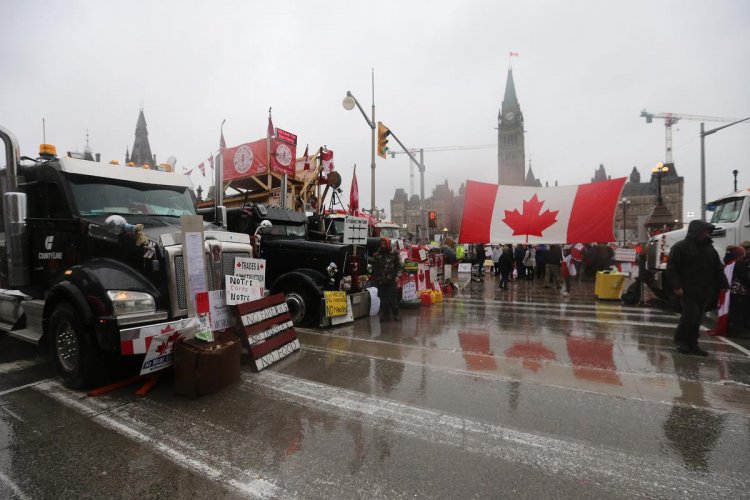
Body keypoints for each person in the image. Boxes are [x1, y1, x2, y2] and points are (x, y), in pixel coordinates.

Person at [666, 220, 729, 356]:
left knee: (698, 318)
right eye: (705, 230)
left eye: (707, 231)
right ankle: (681, 341)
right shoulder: (680, 247)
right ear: (697, 231)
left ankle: (693, 344)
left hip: (705, 289)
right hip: (688, 289)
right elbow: (672, 269)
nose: (706, 233)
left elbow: (717, 268)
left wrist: (724, 284)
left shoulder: (709, 248)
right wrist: (676, 286)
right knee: (690, 315)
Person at [372, 237, 402, 321]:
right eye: (381, 244)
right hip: (381, 280)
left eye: (384, 244)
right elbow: (374, 267)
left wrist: (397, 276)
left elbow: (399, 265)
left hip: (391, 280)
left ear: (387, 244)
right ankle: (385, 315)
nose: (383, 245)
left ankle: (396, 314)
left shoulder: (394, 253)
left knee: (392, 299)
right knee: (383, 300)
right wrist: (375, 277)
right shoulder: (377, 254)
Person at [723, 245, 750, 338]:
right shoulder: (740, 263)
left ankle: (730, 330)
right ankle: (737, 332)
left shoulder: (729, 262)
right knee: (739, 313)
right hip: (740, 291)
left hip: (731, 291)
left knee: (733, 312)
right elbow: (744, 277)